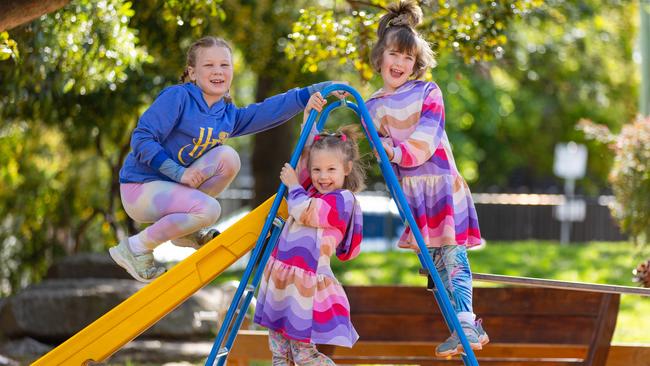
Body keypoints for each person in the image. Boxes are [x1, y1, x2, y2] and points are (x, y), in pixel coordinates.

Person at [110, 36, 339, 283]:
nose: (217, 71)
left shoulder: (226, 114)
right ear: (192, 73)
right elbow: (142, 138)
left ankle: (188, 230)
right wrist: (179, 173)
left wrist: (320, 89)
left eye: (224, 65)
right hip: (140, 187)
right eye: (208, 65)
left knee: (228, 158)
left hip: (172, 190)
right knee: (210, 209)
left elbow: (267, 110)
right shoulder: (178, 98)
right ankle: (135, 247)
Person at [364, 0, 489, 357]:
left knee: (452, 254)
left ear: (416, 63)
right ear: (380, 56)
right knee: (434, 269)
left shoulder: (428, 93)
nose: (400, 63)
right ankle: (461, 329)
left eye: (408, 57)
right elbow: (380, 157)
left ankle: (466, 318)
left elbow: (424, 142)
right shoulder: (370, 106)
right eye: (394, 54)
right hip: (411, 196)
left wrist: (392, 150)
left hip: (441, 186)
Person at [253, 92, 365, 365]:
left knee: (303, 354)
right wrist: (309, 116)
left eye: (330, 169)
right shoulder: (311, 190)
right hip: (280, 276)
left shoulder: (342, 200)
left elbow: (305, 213)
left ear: (347, 168)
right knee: (280, 353)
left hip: (305, 283)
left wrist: (293, 185)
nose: (322, 176)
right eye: (317, 170)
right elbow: (305, 154)